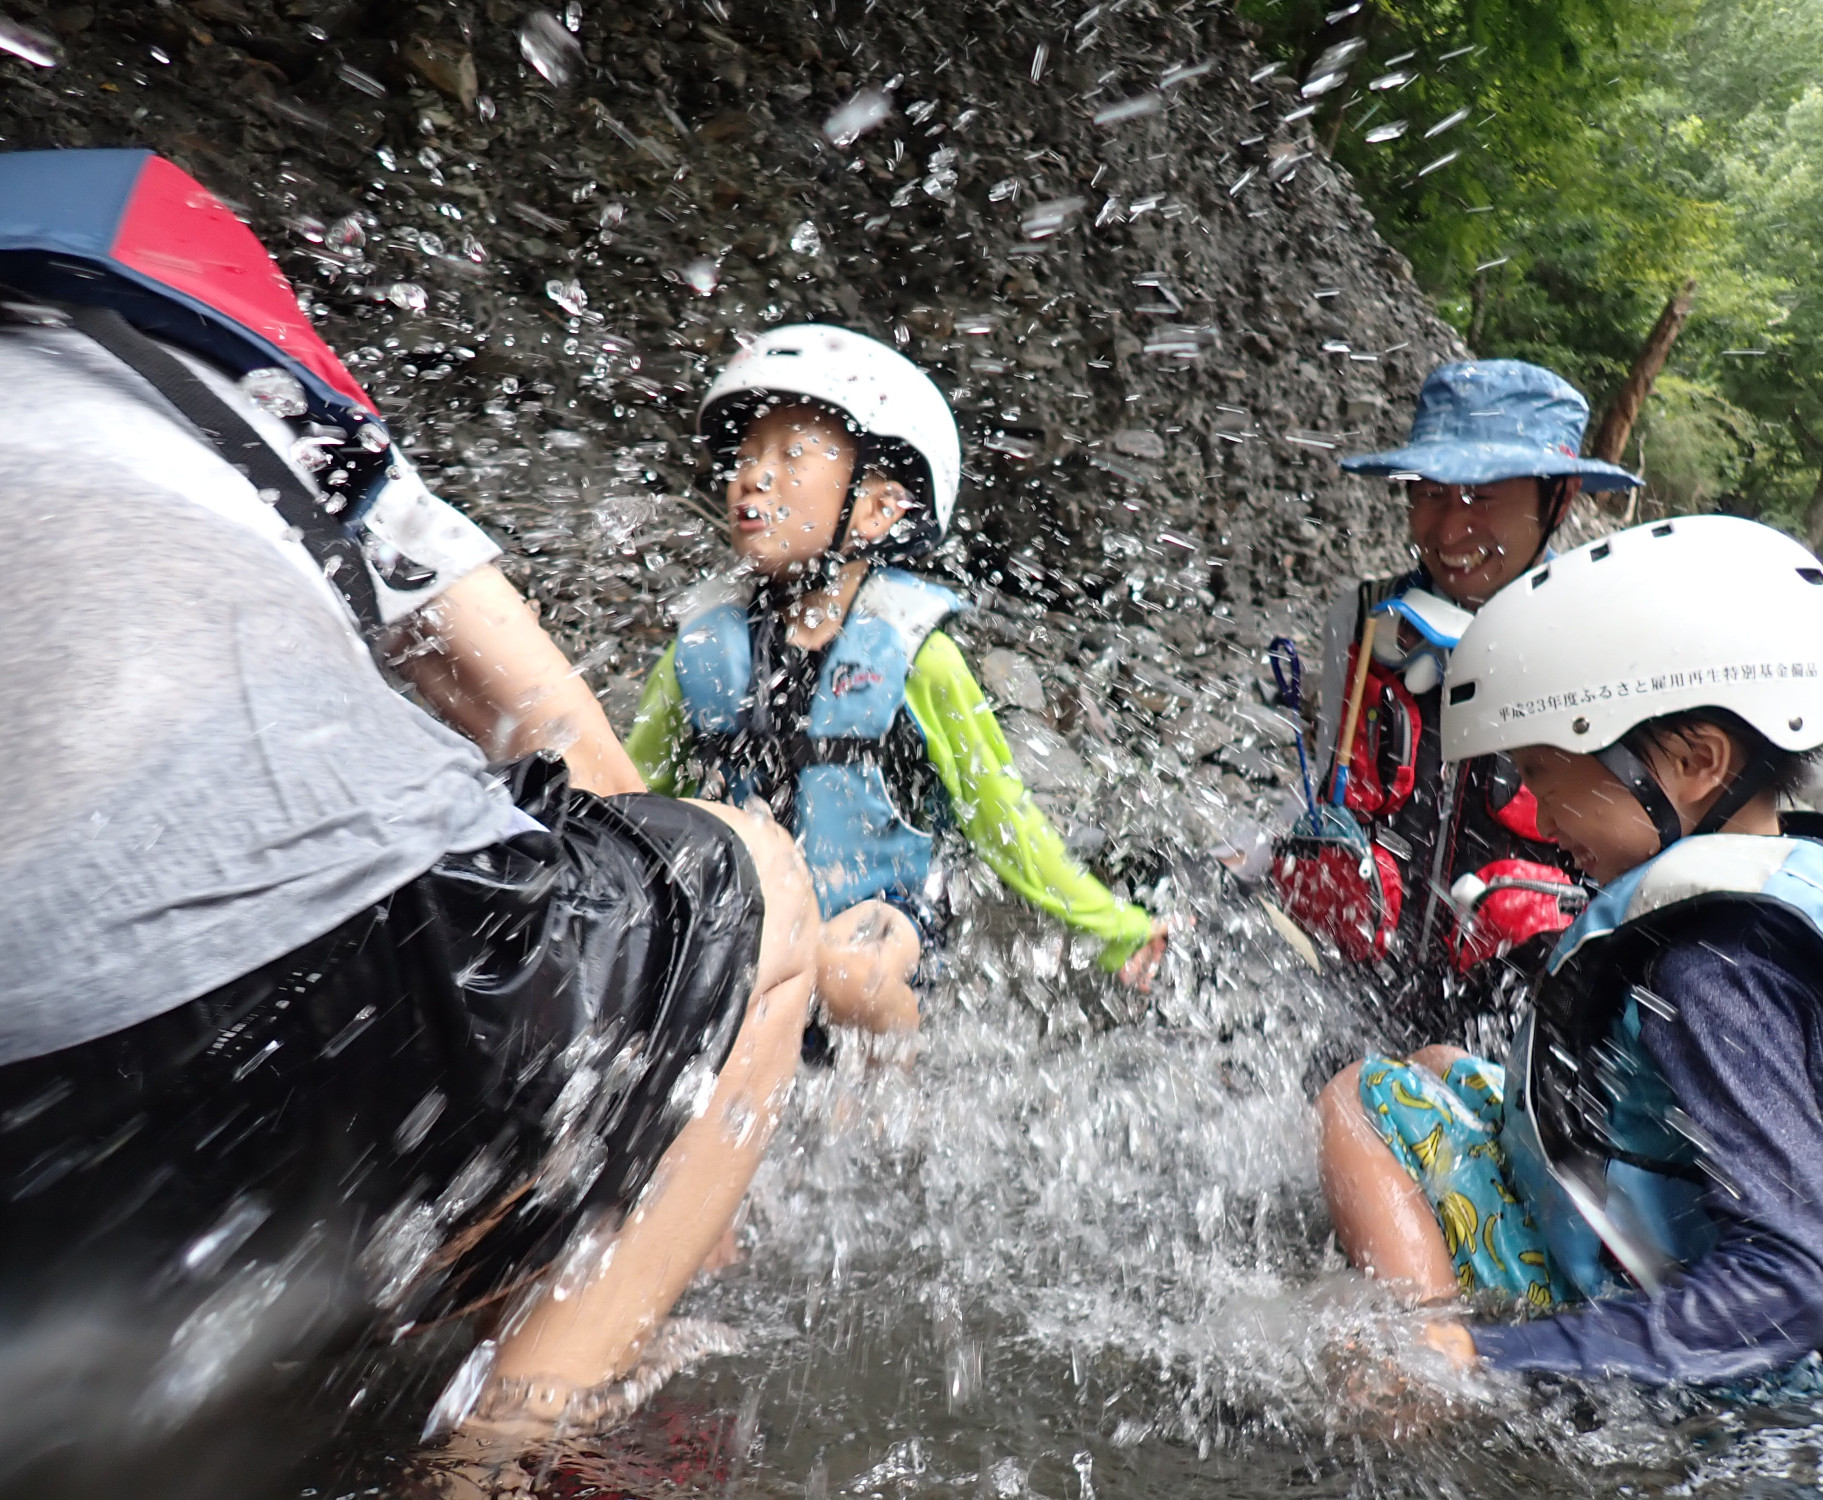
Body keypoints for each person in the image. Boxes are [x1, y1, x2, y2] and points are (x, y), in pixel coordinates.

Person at [0, 147, 818, 1481]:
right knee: (759, 887)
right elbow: (548, 726)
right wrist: (673, 1104)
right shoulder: (172, 301)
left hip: (36, 1129)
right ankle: (502, 1453)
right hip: (337, 979)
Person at [1317, 515, 1823, 1383]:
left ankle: (1423, 1374)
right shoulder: (1813, 872)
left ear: (1697, 762)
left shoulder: (1717, 974)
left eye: (1544, 772)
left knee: (1359, 1100)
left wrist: (1504, 1354)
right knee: (1441, 1064)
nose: (1538, 813)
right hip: (1782, 1323)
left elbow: (1788, 1285)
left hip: (1751, 1381)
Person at [626, 324, 1168, 1034]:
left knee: (845, 970)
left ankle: (891, 1087)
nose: (752, 477)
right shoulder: (699, 651)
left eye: (791, 455)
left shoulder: (918, 657)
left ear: (879, 509)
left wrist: (1116, 925)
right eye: (746, 456)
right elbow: (627, 794)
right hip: (743, 919)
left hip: (882, 922)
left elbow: (1003, 818)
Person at [1271, 360, 1644, 1057]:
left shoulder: (1609, 658)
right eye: (1430, 492)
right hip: (1348, 1007)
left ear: (1560, 498)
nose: (1448, 528)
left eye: (1483, 495)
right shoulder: (1361, 622)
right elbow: (1324, 798)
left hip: (1507, 1048)